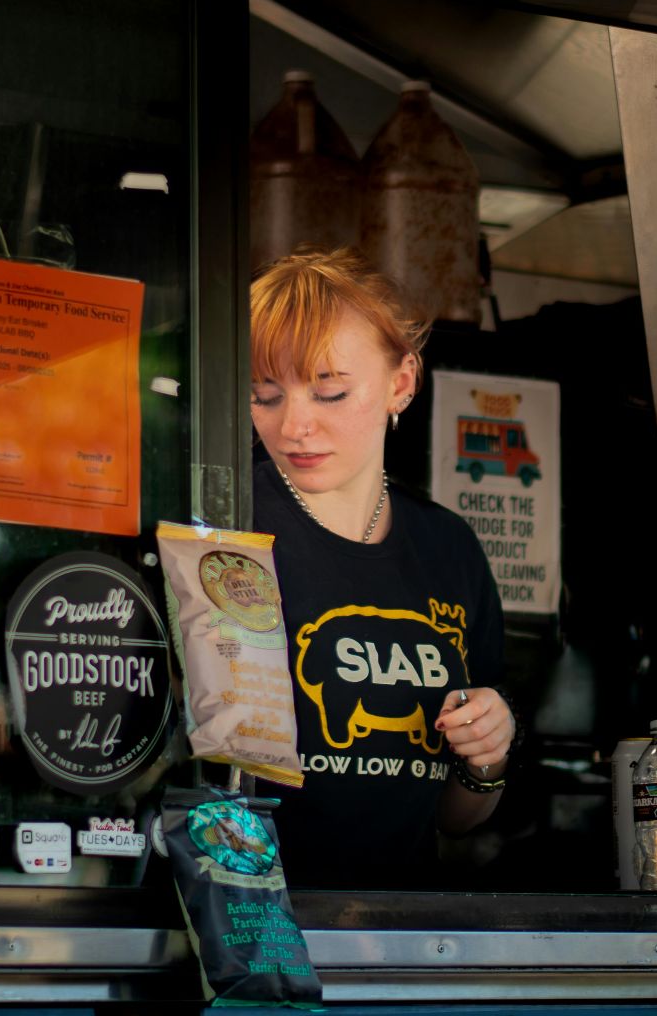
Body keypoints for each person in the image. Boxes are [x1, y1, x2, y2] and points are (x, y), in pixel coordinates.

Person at [248, 246, 516, 889]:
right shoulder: (227, 523)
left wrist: (486, 757)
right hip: (255, 923)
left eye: (330, 392)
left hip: (401, 936)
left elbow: (458, 819)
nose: (295, 425)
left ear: (402, 383)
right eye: (265, 395)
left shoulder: (449, 551)